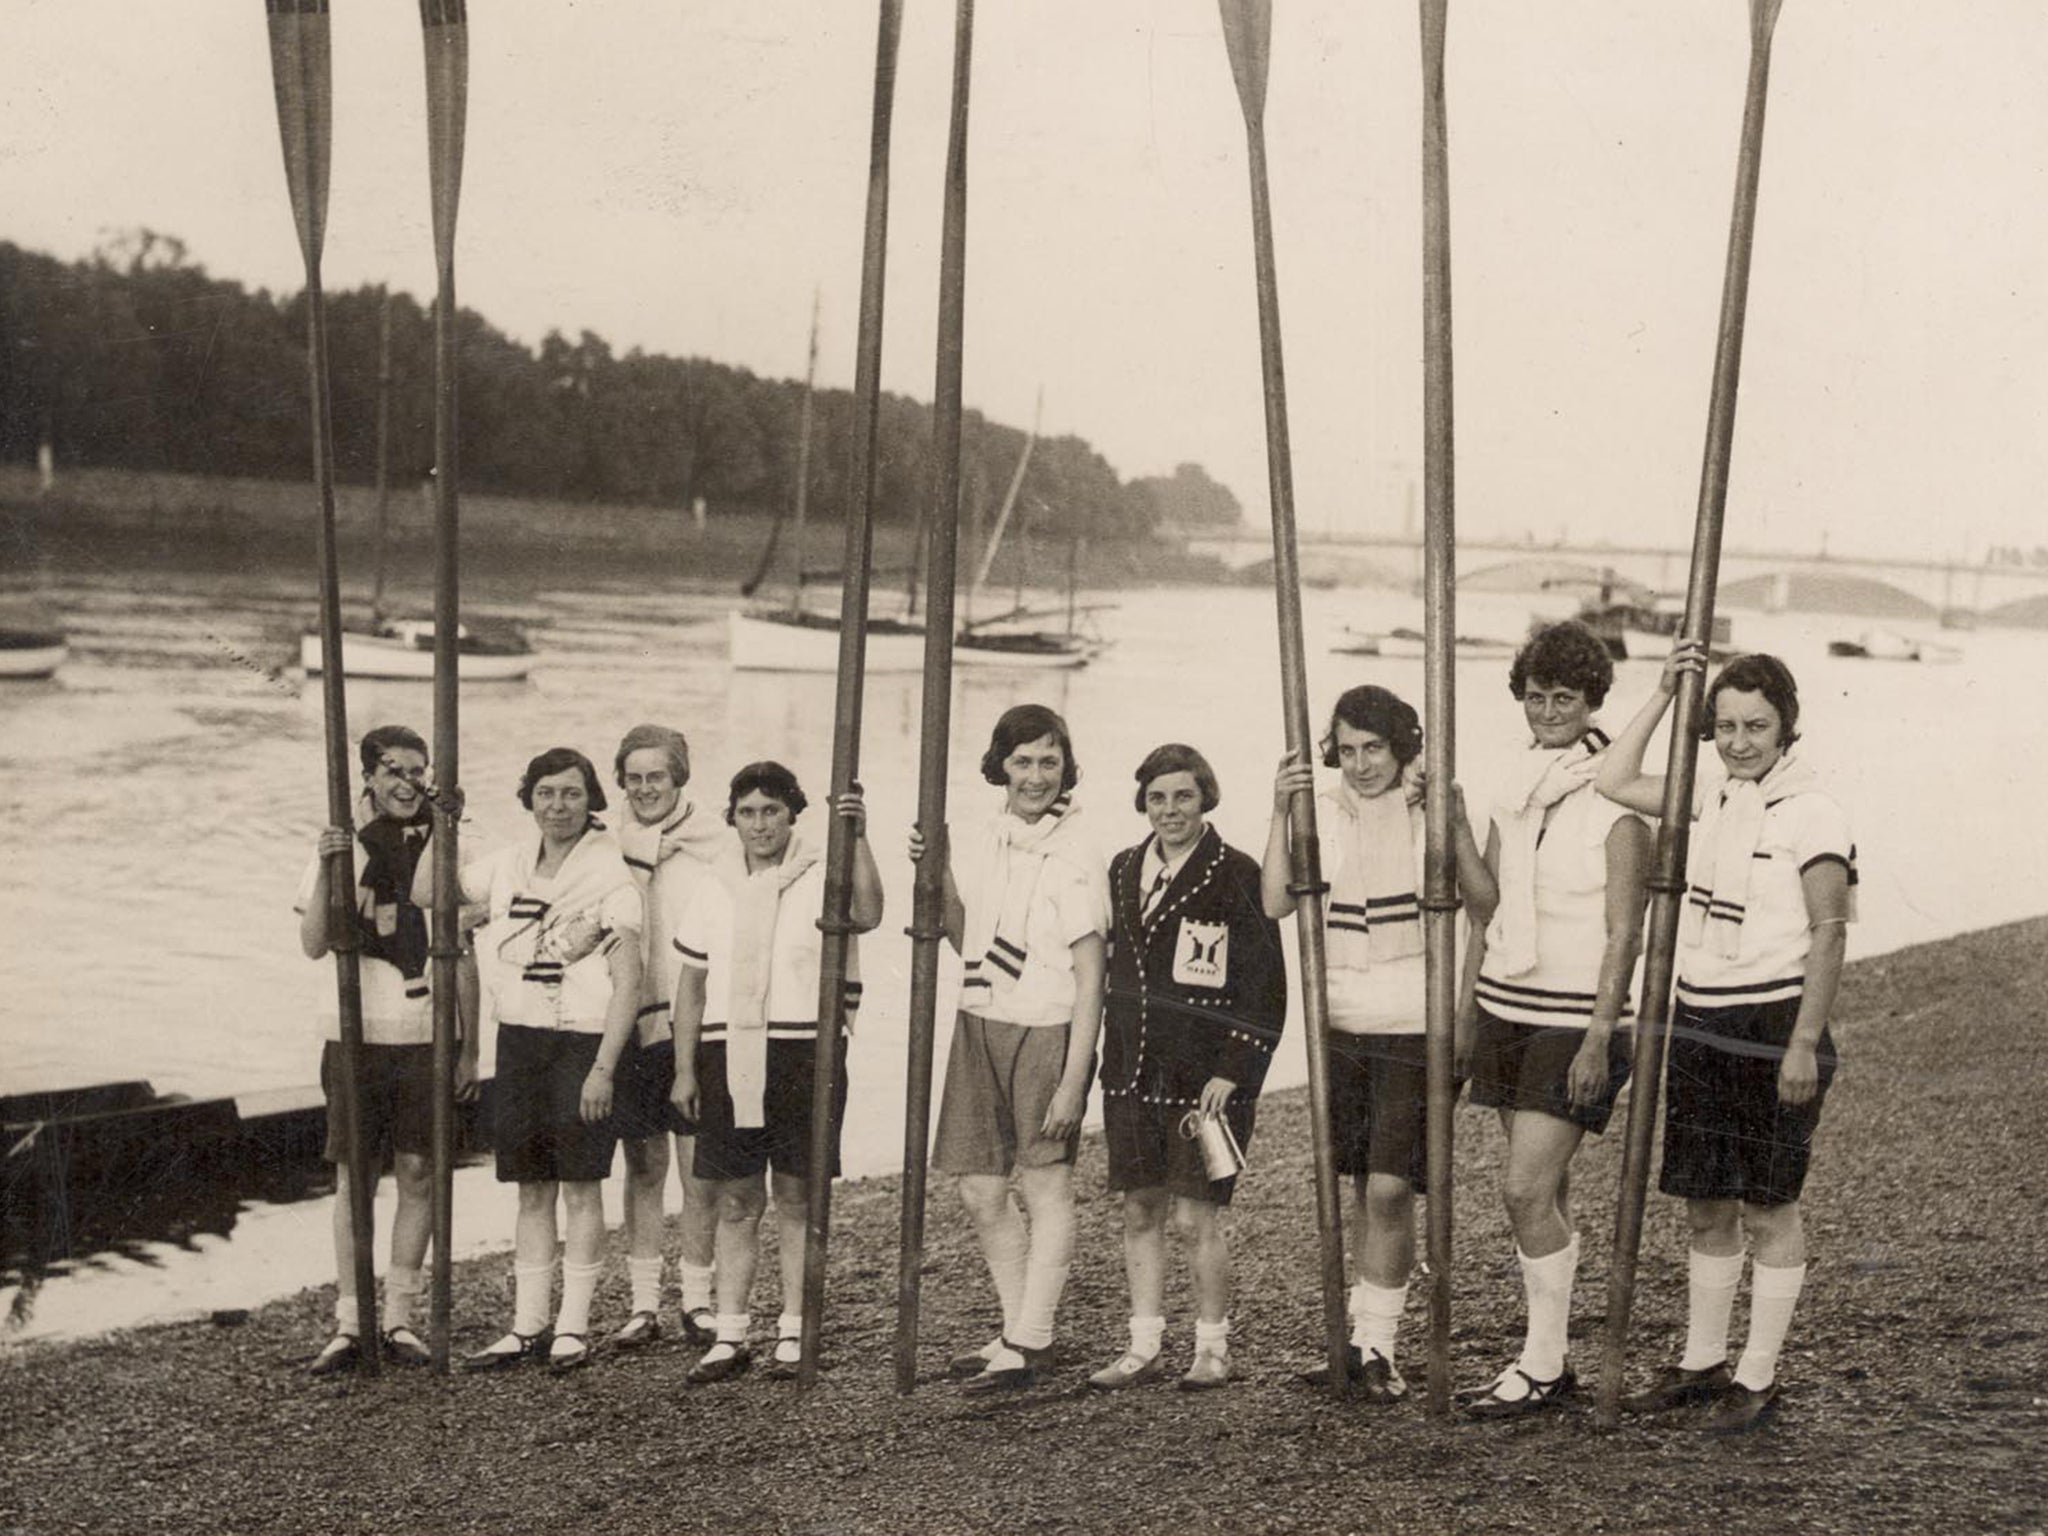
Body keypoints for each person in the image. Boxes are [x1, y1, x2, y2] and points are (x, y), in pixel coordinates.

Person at [1596, 644, 1855, 1434]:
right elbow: (1612, 779)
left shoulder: (1812, 811)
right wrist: (1668, 691)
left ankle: (1759, 1377)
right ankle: (1703, 1363)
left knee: (1769, 1206)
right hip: (1701, 1021)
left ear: (1788, 727)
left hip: (1773, 1024)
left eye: (1757, 726)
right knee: (1705, 1203)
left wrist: (1805, 1042)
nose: (1740, 741)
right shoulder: (1710, 793)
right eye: (1726, 726)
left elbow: (1829, 931)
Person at [1262, 684, 1495, 1402]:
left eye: (1376, 748)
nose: (1362, 764)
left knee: (1393, 1187)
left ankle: (1382, 1349)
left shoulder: (1430, 801)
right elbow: (1275, 901)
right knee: (1364, 1184)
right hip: (1342, 1020)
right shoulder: (1322, 811)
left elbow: (1484, 905)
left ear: (1402, 748)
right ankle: (1363, 1345)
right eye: (1350, 749)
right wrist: (1279, 810)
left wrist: (1448, 818)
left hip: (1413, 1024)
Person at [1457, 620, 1650, 1415]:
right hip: (1506, 1003)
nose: (1546, 711)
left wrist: (1601, 1038)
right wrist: (1452, 817)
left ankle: (1540, 1362)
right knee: (1547, 1188)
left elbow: (1625, 931)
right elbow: (1486, 904)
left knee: (1521, 1190)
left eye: (1563, 698)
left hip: (1576, 1017)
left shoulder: (1615, 798)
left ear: (1593, 700)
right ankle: (1552, 1358)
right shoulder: (1513, 786)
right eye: (1534, 697)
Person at [915, 703, 1108, 1392]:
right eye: (1023, 761)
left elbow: (1092, 977)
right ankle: (1017, 1328)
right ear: (1000, 764)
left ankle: (1033, 1336)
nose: (1035, 776)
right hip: (980, 1019)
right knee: (979, 1189)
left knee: (1046, 1183)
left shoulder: (1077, 849)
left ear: (1067, 767)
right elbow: (968, 940)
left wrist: (1073, 1082)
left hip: (1047, 1028)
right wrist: (933, 874)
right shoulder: (990, 837)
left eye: (1049, 762)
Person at [669, 763, 882, 1383]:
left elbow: (867, 912)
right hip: (727, 1053)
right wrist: (684, 1070)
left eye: (771, 811)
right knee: (736, 1197)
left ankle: (794, 1330)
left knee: (796, 1194)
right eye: (747, 812)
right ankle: (731, 1333)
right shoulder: (714, 885)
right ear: (731, 818)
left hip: (803, 1049)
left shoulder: (821, 873)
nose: (759, 824)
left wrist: (860, 837)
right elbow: (691, 986)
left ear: (792, 814)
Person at [1089, 744, 1285, 1392]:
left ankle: (1212, 1348)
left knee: (1198, 1215)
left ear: (1205, 798)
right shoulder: (1122, 869)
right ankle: (1143, 1346)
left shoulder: (1236, 872)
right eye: (1156, 798)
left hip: (1204, 1084)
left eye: (1182, 796)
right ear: (1142, 803)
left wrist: (1236, 1070)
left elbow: (1265, 986)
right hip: (1132, 1072)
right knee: (1139, 1210)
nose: (1169, 810)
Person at [296, 724, 478, 1374]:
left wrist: (467, 1048)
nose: (407, 784)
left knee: (420, 1172)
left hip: (423, 1033)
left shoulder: (444, 843)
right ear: (369, 778)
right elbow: (315, 942)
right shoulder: (343, 846)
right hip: (355, 1034)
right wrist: (326, 867)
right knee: (353, 1177)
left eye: (417, 772)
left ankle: (399, 1315)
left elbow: (463, 953)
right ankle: (352, 1321)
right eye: (394, 771)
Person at [460, 748, 643, 1374]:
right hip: (519, 1039)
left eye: (570, 793)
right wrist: (442, 825)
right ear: (529, 799)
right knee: (530, 1188)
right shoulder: (508, 865)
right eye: (545, 793)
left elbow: (629, 986)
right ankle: (527, 1324)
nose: (557, 806)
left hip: (583, 1043)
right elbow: (431, 892)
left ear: (591, 799)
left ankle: (573, 1326)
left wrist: (603, 1069)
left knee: (581, 1186)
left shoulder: (612, 878)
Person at [608, 725, 728, 1351]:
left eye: (657, 776)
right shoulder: (607, 840)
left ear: (680, 777)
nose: (645, 787)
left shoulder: (717, 839)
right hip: (630, 1018)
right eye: (634, 777)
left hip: (695, 1020)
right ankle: (643, 1302)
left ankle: (701, 1300)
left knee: (697, 1164)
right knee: (643, 1161)